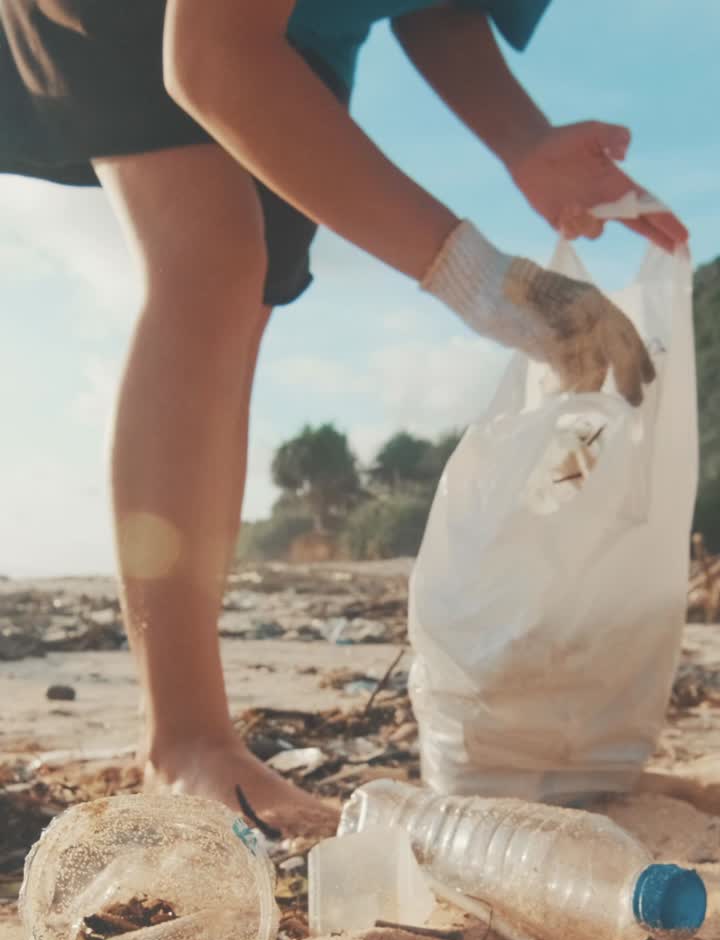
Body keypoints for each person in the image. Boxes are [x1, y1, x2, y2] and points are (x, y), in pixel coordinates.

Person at [0, 2, 688, 834]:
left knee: (244, 289)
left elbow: (437, 9)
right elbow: (212, 57)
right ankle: (184, 739)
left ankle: (190, 728)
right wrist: (489, 284)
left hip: (298, 35)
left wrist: (523, 140)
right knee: (211, 250)